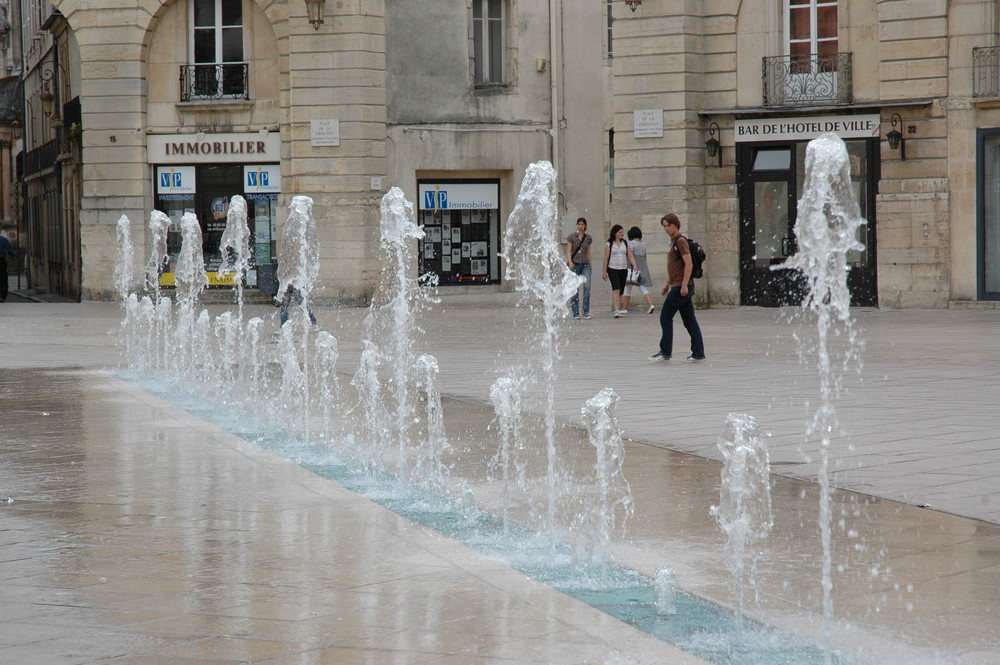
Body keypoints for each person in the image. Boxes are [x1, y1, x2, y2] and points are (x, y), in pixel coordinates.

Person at [649, 213, 706, 363]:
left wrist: (683, 285)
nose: (667, 229)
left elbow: (689, 264)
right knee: (689, 321)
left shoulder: (680, 241)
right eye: (664, 226)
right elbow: (676, 268)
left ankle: (665, 351)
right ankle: (698, 353)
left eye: (669, 225)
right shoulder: (674, 241)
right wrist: (667, 284)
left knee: (665, 317)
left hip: (681, 287)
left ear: (676, 225)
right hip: (678, 285)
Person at [602, 224, 638, 318]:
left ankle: (619, 308)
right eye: (620, 232)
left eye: (622, 232)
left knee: (621, 290)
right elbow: (606, 258)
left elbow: (630, 255)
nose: (622, 234)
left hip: (623, 268)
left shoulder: (625, 243)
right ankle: (616, 310)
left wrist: (635, 265)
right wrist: (604, 271)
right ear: (615, 233)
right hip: (612, 268)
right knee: (616, 288)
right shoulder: (609, 244)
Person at [621, 226, 655, 315]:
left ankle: (625, 308)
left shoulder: (631, 243)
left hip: (632, 268)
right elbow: (644, 257)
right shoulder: (643, 244)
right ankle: (651, 304)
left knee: (627, 287)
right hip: (642, 267)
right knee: (642, 287)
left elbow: (629, 255)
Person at [565, 217, 593, 319]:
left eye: (582, 224)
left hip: (585, 264)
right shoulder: (572, 237)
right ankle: (575, 312)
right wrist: (570, 261)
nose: (580, 226)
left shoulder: (588, 238)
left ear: (585, 226)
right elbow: (568, 250)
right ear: (577, 225)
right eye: (579, 224)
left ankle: (586, 311)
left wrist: (590, 264)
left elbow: (588, 252)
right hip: (575, 264)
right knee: (574, 289)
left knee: (587, 287)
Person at [0, 234, 15, 303]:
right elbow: (10, 250)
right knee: (3, 278)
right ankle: (2, 296)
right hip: (1, 261)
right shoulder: (3, 240)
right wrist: (13, 256)